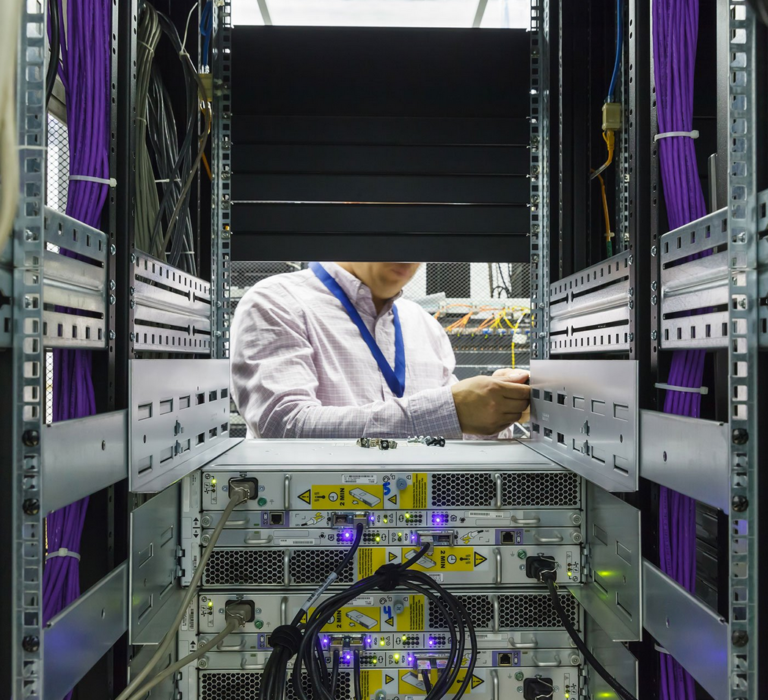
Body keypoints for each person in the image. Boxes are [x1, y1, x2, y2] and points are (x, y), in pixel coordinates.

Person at [230, 262, 530, 439]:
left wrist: (500, 407)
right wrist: (448, 410)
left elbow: (454, 429)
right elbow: (284, 425)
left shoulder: (422, 322)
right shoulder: (277, 301)